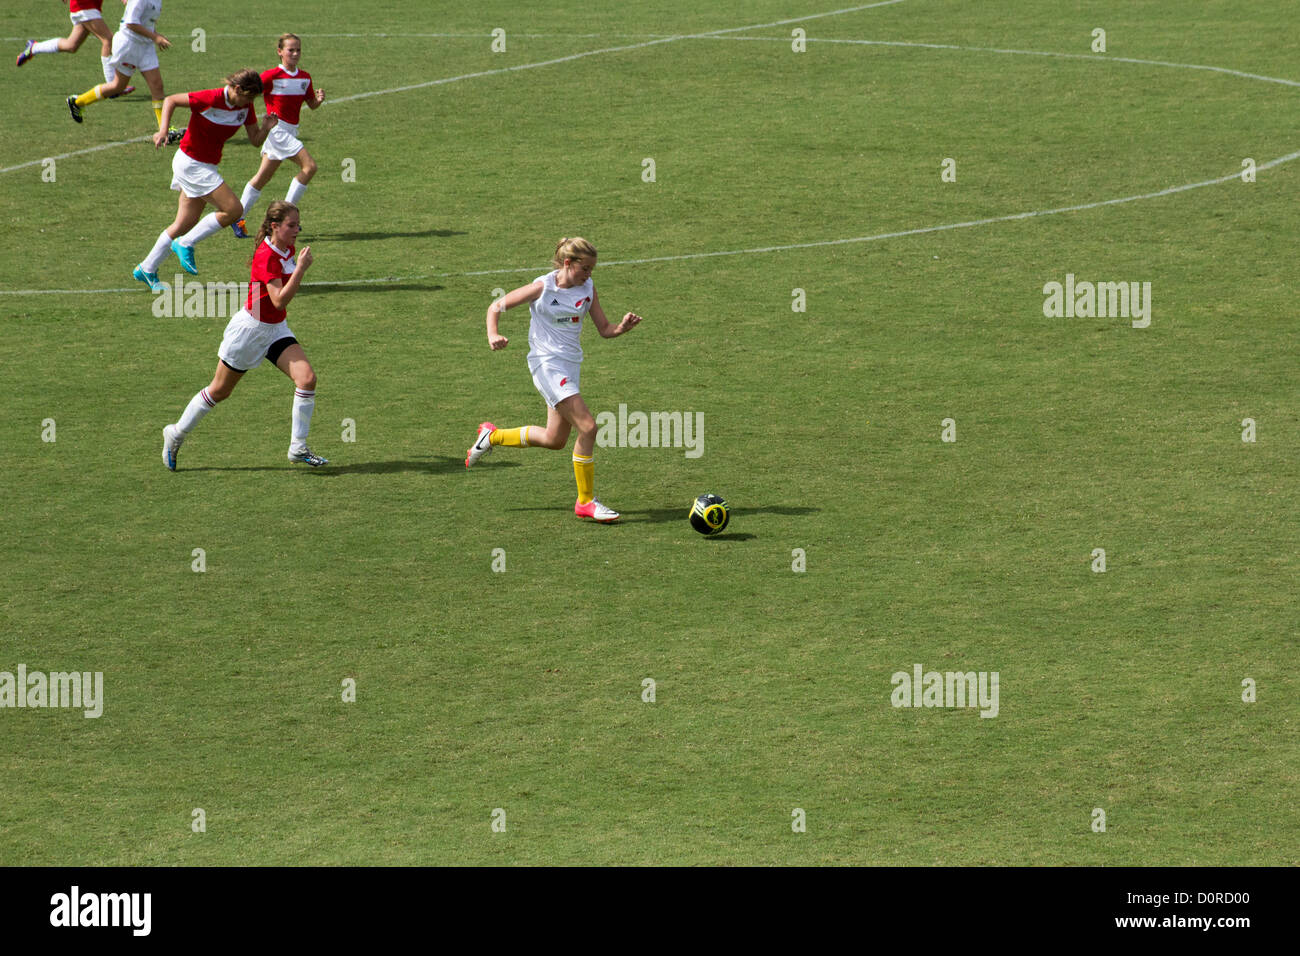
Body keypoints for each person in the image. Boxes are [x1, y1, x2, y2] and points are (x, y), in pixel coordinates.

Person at [465, 237, 642, 523]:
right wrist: (492, 334)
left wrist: (622, 328)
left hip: (570, 368)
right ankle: (585, 502)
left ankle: (492, 436)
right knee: (589, 427)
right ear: (568, 263)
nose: (589, 274)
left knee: (554, 439)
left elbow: (605, 329)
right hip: (547, 366)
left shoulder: (588, 288)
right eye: (585, 268)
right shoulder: (542, 288)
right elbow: (496, 307)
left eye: (592, 269)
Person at [162, 201, 327, 470]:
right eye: (292, 225)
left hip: (275, 330)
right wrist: (301, 270)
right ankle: (176, 433)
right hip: (249, 332)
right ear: (275, 226)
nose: (298, 230)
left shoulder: (287, 249)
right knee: (219, 390)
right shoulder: (267, 256)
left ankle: (298, 447)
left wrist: (296, 266)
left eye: (299, 224)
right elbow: (279, 301)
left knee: (306, 379)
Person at [132, 69, 278, 291]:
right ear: (237, 89)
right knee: (234, 210)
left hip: (206, 166)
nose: (249, 103)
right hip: (191, 163)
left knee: (184, 223)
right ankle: (185, 243)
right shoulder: (211, 98)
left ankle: (147, 268)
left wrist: (266, 128)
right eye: (248, 97)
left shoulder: (244, 107)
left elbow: (255, 140)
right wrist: (163, 130)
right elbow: (170, 100)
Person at [230, 32, 325, 238]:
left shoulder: (305, 77)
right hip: (277, 130)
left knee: (262, 178)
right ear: (280, 52)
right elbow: (248, 92)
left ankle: (237, 217)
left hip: (290, 131)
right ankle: (286, 220)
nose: (295, 53)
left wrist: (318, 100)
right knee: (310, 167)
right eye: (291, 50)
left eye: (298, 50)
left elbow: (311, 105)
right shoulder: (271, 76)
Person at [65, 0, 172, 128]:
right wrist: (156, 38)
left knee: (157, 86)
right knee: (117, 86)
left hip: (145, 46)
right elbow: (131, 23)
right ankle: (77, 102)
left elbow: (146, 22)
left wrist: (156, 35)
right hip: (129, 45)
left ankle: (164, 129)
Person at [17, 1, 135, 96]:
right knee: (108, 39)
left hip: (89, 7)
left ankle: (33, 48)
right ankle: (112, 86)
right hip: (84, 6)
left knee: (71, 45)